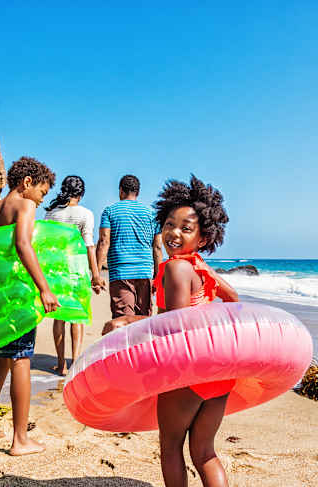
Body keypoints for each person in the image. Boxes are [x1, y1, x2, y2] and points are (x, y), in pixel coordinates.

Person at [102, 175, 239, 487]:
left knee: (171, 448)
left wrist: (125, 322)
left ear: (203, 237)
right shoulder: (200, 266)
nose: (173, 233)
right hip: (218, 370)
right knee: (204, 452)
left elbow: (173, 327)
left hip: (187, 373)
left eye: (185, 228)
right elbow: (233, 300)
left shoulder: (177, 268)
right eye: (168, 224)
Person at [0, 156, 58, 456]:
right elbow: (23, 244)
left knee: (3, 361)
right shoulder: (25, 205)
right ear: (27, 183)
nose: (42, 200)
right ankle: (20, 439)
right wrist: (44, 288)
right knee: (21, 359)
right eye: (43, 193)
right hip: (16, 296)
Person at [44, 175, 103, 375]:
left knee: (58, 318)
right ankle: (75, 362)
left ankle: (61, 365)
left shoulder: (51, 214)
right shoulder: (85, 214)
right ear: (81, 193)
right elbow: (89, 246)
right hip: (77, 270)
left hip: (55, 270)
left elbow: (46, 246)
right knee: (77, 317)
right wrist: (95, 275)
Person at [96, 175, 162, 320]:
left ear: (121, 191)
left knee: (123, 321)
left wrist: (97, 274)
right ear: (137, 192)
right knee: (143, 321)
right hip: (145, 273)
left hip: (121, 273)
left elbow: (103, 242)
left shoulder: (110, 211)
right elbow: (157, 247)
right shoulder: (151, 214)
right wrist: (158, 276)